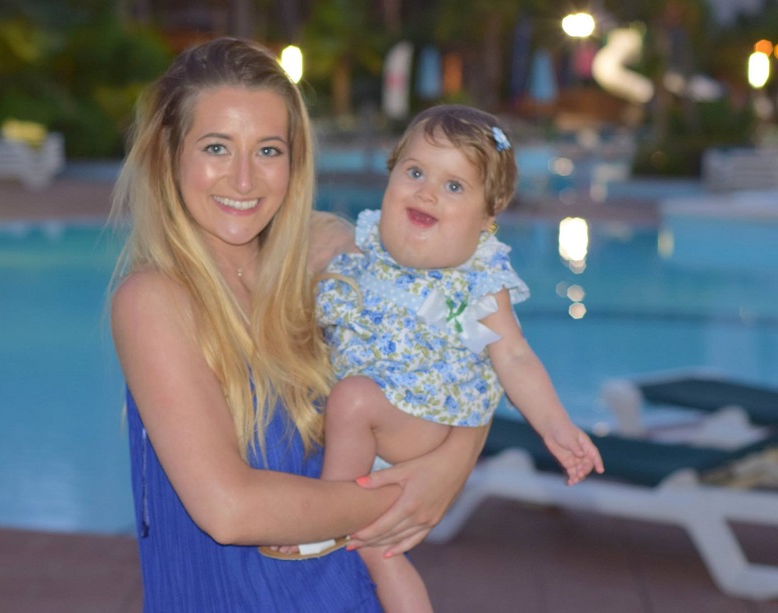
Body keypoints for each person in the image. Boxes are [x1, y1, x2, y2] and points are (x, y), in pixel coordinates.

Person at [109, 38, 491, 612]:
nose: (243, 180)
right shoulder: (155, 301)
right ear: (168, 155)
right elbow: (230, 510)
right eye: (217, 147)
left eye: (267, 150)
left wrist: (453, 462)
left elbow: (476, 333)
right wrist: (410, 494)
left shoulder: (325, 254)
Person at [264, 105, 605, 612]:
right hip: (384, 419)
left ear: (489, 215)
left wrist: (555, 426)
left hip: (424, 416)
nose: (427, 192)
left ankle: (325, 518)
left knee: (354, 400)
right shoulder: (365, 244)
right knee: (382, 552)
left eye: (454, 187)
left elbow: (513, 355)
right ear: (392, 173)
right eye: (416, 172)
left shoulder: (478, 278)